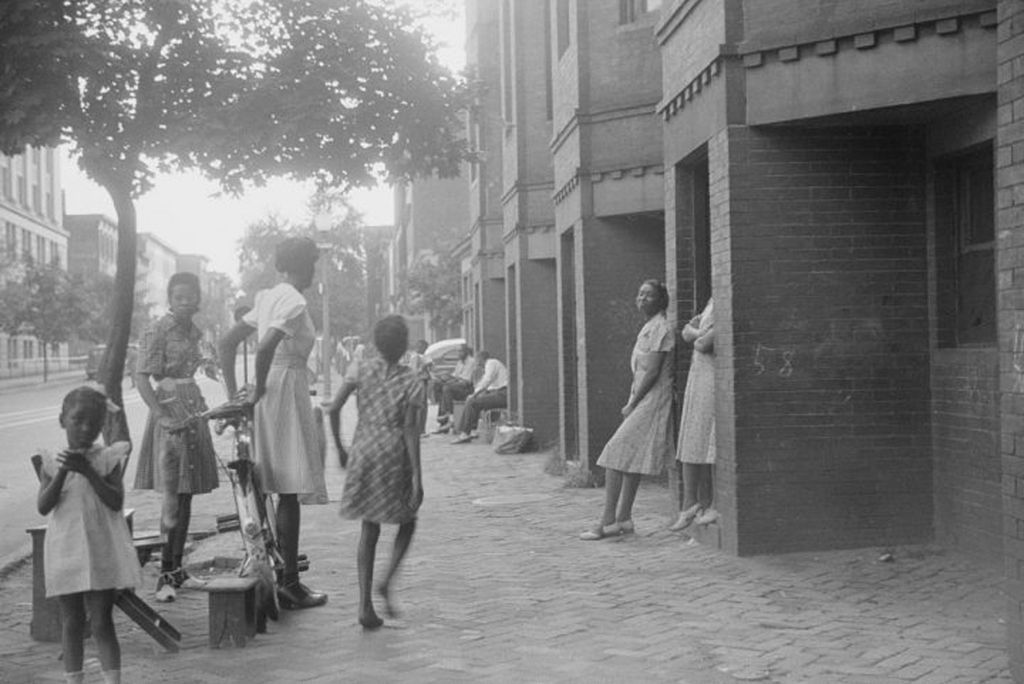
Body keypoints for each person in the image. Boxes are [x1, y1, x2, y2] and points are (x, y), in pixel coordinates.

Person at [219, 236, 328, 610]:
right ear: (307, 265)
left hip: (272, 391)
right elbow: (264, 347)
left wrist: (240, 394)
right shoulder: (294, 300)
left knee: (272, 486)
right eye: (313, 263)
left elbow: (227, 342)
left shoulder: (267, 297)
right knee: (289, 489)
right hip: (282, 390)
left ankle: (278, 573)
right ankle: (289, 583)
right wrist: (257, 390)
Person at [37, 386, 142, 684]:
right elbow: (44, 506)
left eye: (94, 424)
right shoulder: (49, 461)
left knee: (101, 621)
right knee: (70, 621)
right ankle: (74, 679)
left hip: (99, 548)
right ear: (62, 420)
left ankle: (113, 680)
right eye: (78, 420)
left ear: (101, 427)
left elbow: (115, 501)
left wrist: (88, 472)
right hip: (66, 548)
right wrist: (63, 471)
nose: (85, 429)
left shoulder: (108, 459)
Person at [328, 315, 424, 629]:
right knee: (407, 522)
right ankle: (387, 579)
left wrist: (340, 448)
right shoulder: (412, 380)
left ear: (376, 343)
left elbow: (334, 408)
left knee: (369, 528)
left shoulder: (360, 368)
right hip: (395, 454)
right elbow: (411, 429)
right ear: (404, 346)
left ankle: (364, 604)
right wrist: (416, 478)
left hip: (364, 450)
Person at [133, 272, 219, 602]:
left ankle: (177, 569)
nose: (185, 302)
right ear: (170, 299)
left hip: (192, 411)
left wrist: (211, 365)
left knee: (186, 497)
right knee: (173, 496)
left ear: (198, 300)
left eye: (190, 297)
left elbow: (200, 368)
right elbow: (143, 378)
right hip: (170, 413)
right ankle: (164, 577)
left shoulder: (195, 333)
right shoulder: (156, 329)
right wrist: (161, 415)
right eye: (178, 297)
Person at [580, 279, 675, 540]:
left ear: (661, 300)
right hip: (641, 398)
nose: (642, 299)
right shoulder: (649, 326)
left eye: (649, 295)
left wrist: (633, 403)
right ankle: (624, 519)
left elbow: (654, 371)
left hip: (653, 400)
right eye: (640, 294)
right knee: (630, 457)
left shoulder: (661, 328)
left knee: (615, 453)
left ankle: (607, 520)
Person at [670, 297, 717, 531]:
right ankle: (691, 503)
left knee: (709, 437)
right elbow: (687, 331)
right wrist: (698, 331)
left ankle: (713, 503)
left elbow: (703, 343)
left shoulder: (727, 300)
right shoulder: (712, 300)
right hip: (698, 375)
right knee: (691, 434)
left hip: (713, 377)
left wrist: (695, 333)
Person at [450, 350, 508, 444]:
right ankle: (471, 430)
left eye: (477, 360)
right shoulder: (490, 365)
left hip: (503, 394)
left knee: (472, 401)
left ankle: (465, 433)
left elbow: (487, 380)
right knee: (474, 401)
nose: (476, 362)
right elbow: (488, 384)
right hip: (499, 392)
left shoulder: (491, 363)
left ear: (481, 358)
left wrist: (474, 394)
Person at [432, 344, 476, 433]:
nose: (459, 354)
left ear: (466, 352)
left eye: (461, 352)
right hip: (458, 385)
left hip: (467, 388)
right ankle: (444, 422)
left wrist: (451, 380)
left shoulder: (471, 362)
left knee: (447, 388)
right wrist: (446, 377)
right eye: (458, 352)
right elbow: (455, 375)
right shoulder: (460, 362)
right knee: (438, 384)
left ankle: (450, 417)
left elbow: (466, 381)